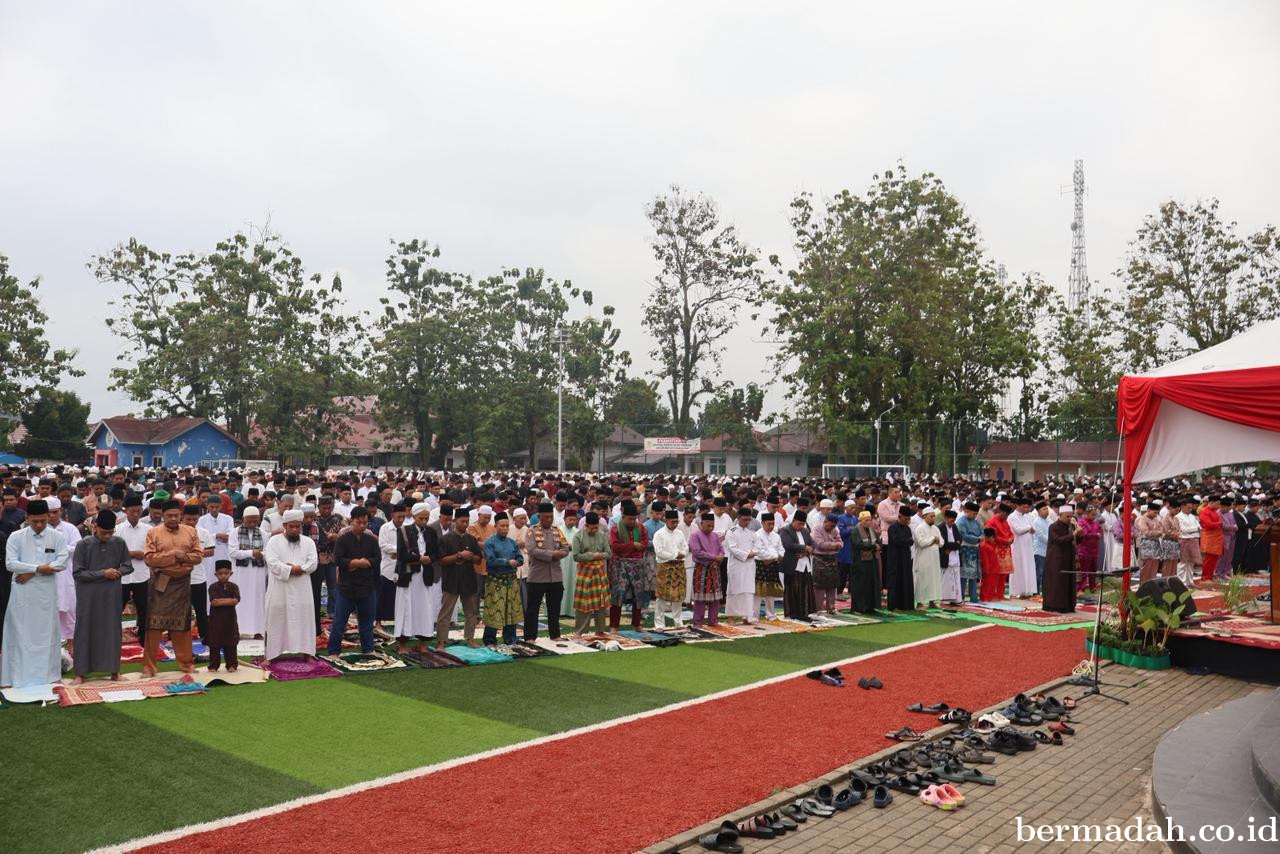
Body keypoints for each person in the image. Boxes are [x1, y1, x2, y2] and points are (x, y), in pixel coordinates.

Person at [2, 500, 68, 688]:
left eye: (42, 521)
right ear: (27, 518)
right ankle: (14, 676)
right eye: (35, 521)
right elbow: (10, 564)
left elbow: (62, 562)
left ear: (48, 517)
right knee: (20, 633)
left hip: (46, 594)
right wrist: (40, 568)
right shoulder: (16, 536)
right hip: (22, 594)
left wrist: (32, 572)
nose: (39, 525)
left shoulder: (57, 537)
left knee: (46, 634)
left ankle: (48, 675)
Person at [71, 509, 132, 682]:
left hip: (111, 594)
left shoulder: (119, 542)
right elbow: (78, 573)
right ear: (95, 527)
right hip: (88, 596)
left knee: (112, 630)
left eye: (110, 533)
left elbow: (128, 566)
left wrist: (117, 571)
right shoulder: (83, 544)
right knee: (85, 630)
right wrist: (102, 574)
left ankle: (114, 671)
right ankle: (80, 673)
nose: (107, 536)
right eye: (104, 532)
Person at [263, 509, 318, 660]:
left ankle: (307, 653)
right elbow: (272, 563)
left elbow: (313, 563)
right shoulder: (274, 541)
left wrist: (297, 568)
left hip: (302, 589)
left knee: (304, 619)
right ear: (285, 525)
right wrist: (292, 569)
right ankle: (272, 655)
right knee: (275, 619)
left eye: (298, 526)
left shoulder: (308, 542)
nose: (295, 530)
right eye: (291, 526)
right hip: (279, 589)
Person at [327, 506, 381, 655]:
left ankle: (368, 649)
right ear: (352, 521)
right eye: (359, 522)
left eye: (365, 523)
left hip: (367, 586)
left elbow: (377, 559)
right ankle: (333, 651)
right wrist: (356, 563)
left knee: (366, 622)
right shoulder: (343, 539)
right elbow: (338, 559)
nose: (362, 525)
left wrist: (366, 562)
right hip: (346, 587)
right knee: (339, 622)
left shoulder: (371, 540)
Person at [393, 502, 440, 653]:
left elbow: (436, 553)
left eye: (426, 518)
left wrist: (429, 559)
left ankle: (423, 643)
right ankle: (402, 645)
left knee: (424, 609)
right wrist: (420, 559)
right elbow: (401, 555)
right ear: (414, 516)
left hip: (425, 576)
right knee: (405, 609)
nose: (424, 521)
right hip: (408, 576)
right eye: (421, 518)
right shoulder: (404, 531)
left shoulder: (431, 532)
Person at [436, 508, 482, 650]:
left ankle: (470, 639)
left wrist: (470, 556)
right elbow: (441, 560)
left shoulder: (471, 539)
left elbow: (479, 560)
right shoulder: (446, 539)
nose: (465, 524)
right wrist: (459, 556)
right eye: (462, 521)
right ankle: (441, 642)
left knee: (471, 612)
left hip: (468, 579)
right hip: (451, 580)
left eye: (467, 521)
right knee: (445, 613)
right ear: (456, 521)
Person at [524, 504, 569, 642]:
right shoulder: (531, 531)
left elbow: (566, 548)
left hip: (555, 576)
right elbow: (532, 550)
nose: (549, 519)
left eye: (551, 517)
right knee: (533, 609)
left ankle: (555, 635)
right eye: (546, 517)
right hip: (537, 576)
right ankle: (530, 636)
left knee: (554, 608)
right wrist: (552, 554)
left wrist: (558, 554)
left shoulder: (557, 531)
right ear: (540, 516)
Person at [607, 500, 650, 633]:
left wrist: (635, 546)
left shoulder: (641, 528)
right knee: (617, 595)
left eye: (634, 519)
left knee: (638, 595)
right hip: (620, 565)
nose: (632, 521)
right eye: (629, 519)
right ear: (623, 516)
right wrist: (632, 545)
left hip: (637, 565)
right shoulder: (615, 529)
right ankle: (614, 626)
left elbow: (644, 543)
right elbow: (615, 546)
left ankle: (637, 624)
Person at [481, 512, 523, 646]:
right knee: (494, 610)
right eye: (502, 526)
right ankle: (489, 640)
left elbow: (520, 558)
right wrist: (507, 562)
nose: (505, 528)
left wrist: (517, 562)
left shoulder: (512, 543)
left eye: (506, 526)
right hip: (496, 581)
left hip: (511, 581)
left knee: (511, 610)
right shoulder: (489, 542)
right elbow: (491, 561)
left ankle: (510, 638)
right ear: (496, 526)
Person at [229, 505, 268, 637]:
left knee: (258, 600)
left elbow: (268, 552)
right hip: (241, 572)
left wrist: (261, 554)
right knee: (241, 599)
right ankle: (239, 629)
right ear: (243, 519)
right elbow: (233, 552)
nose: (252, 523)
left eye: (255, 521)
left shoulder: (263, 533)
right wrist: (252, 552)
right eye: (249, 520)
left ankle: (257, 630)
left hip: (258, 572)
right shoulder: (234, 532)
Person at [571, 511, 613, 635]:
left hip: (599, 572)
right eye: (592, 528)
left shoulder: (602, 535)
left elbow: (608, 553)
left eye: (596, 527)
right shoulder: (578, 536)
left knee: (601, 603)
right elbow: (576, 556)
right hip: (585, 573)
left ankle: (600, 630)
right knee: (584, 603)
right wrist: (592, 555)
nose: (595, 530)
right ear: (586, 525)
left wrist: (599, 555)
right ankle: (580, 631)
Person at [117, 494, 151, 643]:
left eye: (138, 510)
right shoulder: (118, 529)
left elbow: (152, 550)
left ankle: (144, 636)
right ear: (126, 511)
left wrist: (143, 554)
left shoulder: (148, 529)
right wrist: (131, 554)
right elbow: (114, 552)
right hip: (123, 575)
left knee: (144, 608)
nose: (136, 513)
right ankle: (115, 636)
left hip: (142, 574)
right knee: (117, 608)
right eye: (133, 511)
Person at [181, 504, 216, 647]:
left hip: (198, 578)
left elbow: (211, 551)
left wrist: (197, 553)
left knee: (201, 610)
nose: (191, 522)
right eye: (188, 519)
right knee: (180, 610)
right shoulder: (176, 532)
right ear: (182, 518)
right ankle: (178, 637)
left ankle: (205, 636)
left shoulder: (204, 533)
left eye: (194, 519)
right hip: (180, 578)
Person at [651, 508, 687, 630]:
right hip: (665, 566)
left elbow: (685, 548)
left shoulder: (680, 533)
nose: (675, 524)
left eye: (677, 521)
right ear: (666, 520)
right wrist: (675, 555)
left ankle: (678, 622)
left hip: (678, 567)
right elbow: (659, 552)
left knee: (678, 596)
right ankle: (659, 624)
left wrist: (682, 554)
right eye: (673, 522)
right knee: (662, 596)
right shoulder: (659, 534)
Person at [1042, 505, 1081, 613]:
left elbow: (1077, 540)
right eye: (1067, 516)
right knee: (1057, 583)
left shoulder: (1071, 526)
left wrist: (1079, 534)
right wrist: (1073, 534)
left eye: (1071, 516)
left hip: (1069, 558)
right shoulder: (1053, 526)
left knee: (1068, 582)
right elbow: (1058, 540)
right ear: (1060, 515)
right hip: (1056, 559)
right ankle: (1055, 606)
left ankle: (1068, 606)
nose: (1069, 518)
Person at [688, 512, 724, 626]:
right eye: (708, 525)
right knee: (700, 597)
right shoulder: (695, 535)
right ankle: (698, 622)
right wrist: (714, 557)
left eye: (712, 526)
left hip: (714, 568)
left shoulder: (715, 535)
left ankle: (713, 621)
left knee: (716, 596)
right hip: (702, 568)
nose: (711, 528)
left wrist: (719, 558)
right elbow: (697, 552)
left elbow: (721, 550)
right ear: (702, 523)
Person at [724, 507, 759, 622]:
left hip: (749, 566)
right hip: (736, 565)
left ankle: (747, 616)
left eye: (749, 520)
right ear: (738, 518)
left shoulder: (752, 533)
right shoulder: (731, 531)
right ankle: (731, 616)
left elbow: (757, 546)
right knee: (734, 590)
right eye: (744, 519)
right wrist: (746, 555)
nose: (747, 522)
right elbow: (732, 548)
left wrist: (753, 553)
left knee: (748, 590)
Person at [206, 559, 240, 672]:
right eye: (220, 573)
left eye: (226, 573)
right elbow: (214, 602)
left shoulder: (234, 587)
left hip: (230, 621)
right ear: (216, 574)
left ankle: (231, 665)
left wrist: (221, 601)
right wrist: (229, 600)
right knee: (214, 643)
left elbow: (235, 601)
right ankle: (213, 666)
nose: (223, 576)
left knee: (231, 643)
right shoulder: (213, 587)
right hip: (215, 621)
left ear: (231, 573)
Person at [751, 512, 784, 619]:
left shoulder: (776, 536)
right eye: (769, 524)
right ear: (762, 523)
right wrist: (776, 556)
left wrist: (774, 557)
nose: (771, 526)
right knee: (758, 592)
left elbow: (782, 550)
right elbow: (760, 552)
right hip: (760, 565)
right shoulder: (757, 535)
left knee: (771, 591)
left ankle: (770, 615)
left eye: (773, 524)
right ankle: (754, 616)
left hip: (773, 565)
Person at [809, 513, 843, 615]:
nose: (832, 528)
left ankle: (831, 608)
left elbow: (841, 543)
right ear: (825, 521)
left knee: (833, 585)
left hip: (832, 559)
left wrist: (833, 544)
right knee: (819, 585)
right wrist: (834, 544)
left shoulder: (835, 530)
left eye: (834, 526)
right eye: (831, 525)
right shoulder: (817, 529)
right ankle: (817, 609)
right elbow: (820, 544)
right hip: (820, 559)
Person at [883, 506, 916, 610]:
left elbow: (911, 541)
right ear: (900, 516)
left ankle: (905, 605)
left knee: (905, 580)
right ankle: (893, 605)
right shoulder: (892, 528)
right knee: (894, 581)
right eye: (906, 519)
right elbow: (897, 541)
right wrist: (906, 541)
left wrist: (905, 541)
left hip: (906, 558)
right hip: (895, 559)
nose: (907, 521)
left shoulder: (907, 528)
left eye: (908, 519)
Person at [848, 511, 880, 612]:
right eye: (866, 520)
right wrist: (873, 546)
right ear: (860, 521)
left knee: (871, 583)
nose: (868, 522)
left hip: (871, 561)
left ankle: (870, 606)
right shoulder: (855, 531)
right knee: (860, 585)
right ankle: (859, 607)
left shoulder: (872, 530)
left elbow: (879, 541)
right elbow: (858, 544)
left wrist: (875, 546)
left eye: (870, 520)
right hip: (860, 562)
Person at [912, 506, 943, 608]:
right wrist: (933, 539)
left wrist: (935, 541)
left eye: (934, 516)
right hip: (923, 559)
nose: (933, 518)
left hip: (934, 560)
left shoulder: (936, 528)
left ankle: (932, 602)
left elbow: (942, 542)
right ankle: (920, 603)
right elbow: (921, 543)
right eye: (931, 516)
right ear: (925, 516)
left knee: (934, 580)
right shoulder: (919, 528)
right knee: (922, 580)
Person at [1007, 498, 1037, 597]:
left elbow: (1033, 528)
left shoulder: (1028, 516)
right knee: (1017, 568)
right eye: (1025, 507)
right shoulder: (1012, 517)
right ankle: (1015, 592)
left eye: (1028, 507)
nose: (1027, 509)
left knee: (1028, 568)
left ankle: (1026, 591)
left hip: (1028, 547)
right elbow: (1018, 530)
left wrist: (1030, 529)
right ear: (1018, 506)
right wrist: (1029, 528)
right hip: (1017, 547)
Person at [956, 502, 983, 604]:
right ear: (967, 511)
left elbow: (982, 533)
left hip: (975, 550)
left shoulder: (976, 522)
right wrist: (977, 539)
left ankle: (973, 597)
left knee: (974, 575)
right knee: (963, 574)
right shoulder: (961, 522)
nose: (975, 516)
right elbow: (964, 535)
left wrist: (979, 538)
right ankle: (961, 597)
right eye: (973, 513)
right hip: (965, 549)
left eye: (976, 514)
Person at [1176, 497, 1202, 587]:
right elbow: (1182, 530)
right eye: (1188, 507)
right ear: (1182, 506)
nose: (1190, 509)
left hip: (1194, 539)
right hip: (1184, 540)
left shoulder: (1192, 516)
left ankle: (1190, 582)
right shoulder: (1178, 517)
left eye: (1191, 508)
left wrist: (1195, 530)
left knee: (1191, 562)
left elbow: (1199, 527)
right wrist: (1195, 529)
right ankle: (1181, 583)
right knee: (1183, 562)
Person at [1075, 506, 1102, 593]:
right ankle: (1081, 588)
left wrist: (1099, 534)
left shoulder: (1096, 523)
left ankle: (1092, 586)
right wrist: (1096, 535)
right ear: (1086, 514)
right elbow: (1084, 534)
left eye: (1095, 515)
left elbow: (1100, 531)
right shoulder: (1081, 522)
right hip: (1084, 550)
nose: (1094, 517)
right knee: (1083, 571)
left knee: (1093, 570)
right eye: (1092, 515)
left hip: (1094, 550)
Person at [938, 509, 962, 604]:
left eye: (954, 521)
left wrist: (952, 547)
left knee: (956, 578)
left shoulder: (954, 526)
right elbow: (944, 543)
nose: (952, 523)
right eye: (951, 520)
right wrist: (954, 545)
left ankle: (956, 599)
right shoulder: (941, 527)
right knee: (946, 579)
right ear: (946, 518)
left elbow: (959, 540)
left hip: (954, 556)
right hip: (945, 556)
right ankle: (946, 599)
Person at [1135, 504, 1163, 583]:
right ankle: (1144, 585)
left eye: (1157, 513)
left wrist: (1157, 532)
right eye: (1154, 512)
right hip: (1146, 544)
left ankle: (1152, 585)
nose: (1156, 515)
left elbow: (1161, 529)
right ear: (1148, 510)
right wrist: (1157, 532)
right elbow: (1146, 532)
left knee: (1154, 565)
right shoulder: (1142, 519)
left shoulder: (1155, 519)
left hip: (1156, 544)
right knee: (1147, 566)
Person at [1198, 495, 1224, 582]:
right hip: (1209, 538)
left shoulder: (1215, 512)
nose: (1218, 506)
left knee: (1214, 559)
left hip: (1216, 538)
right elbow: (1208, 524)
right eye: (1217, 504)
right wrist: (1219, 523)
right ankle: (1205, 578)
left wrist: (1218, 523)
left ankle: (1210, 576)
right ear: (1211, 503)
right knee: (1208, 559)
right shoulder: (1204, 512)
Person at [978, 527, 1002, 602]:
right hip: (989, 569)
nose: (994, 539)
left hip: (995, 568)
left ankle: (989, 598)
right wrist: (986, 569)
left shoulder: (992, 545)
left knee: (992, 585)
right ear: (987, 537)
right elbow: (984, 559)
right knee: (986, 585)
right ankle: (984, 599)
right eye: (992, 537)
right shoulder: (984, 546)